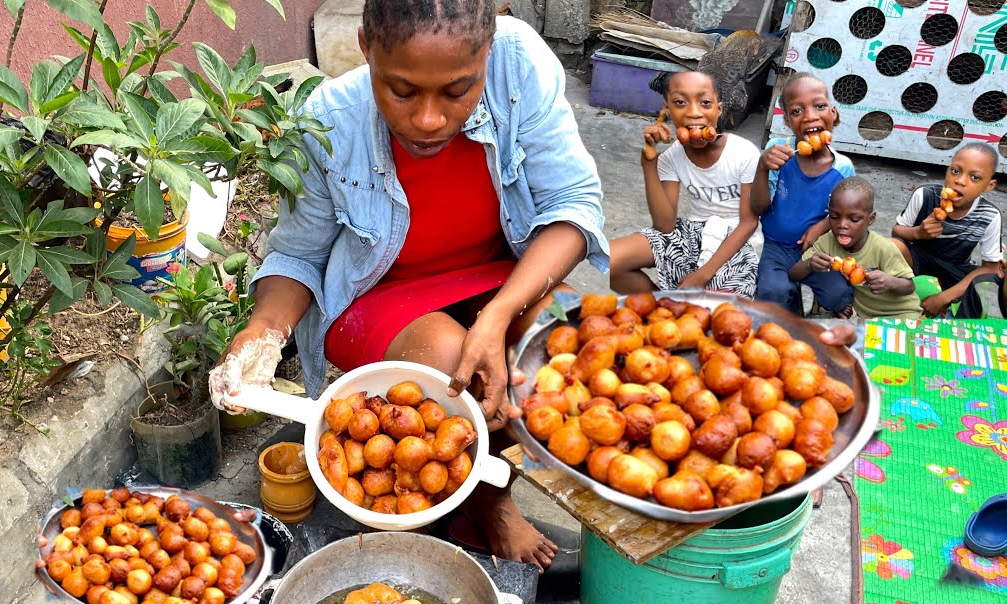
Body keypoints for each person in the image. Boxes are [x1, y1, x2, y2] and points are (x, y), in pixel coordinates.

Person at [209, 0, 607, 572]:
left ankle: (479, 494)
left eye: (457, 91)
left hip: (490, 277)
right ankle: (487, 506)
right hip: (377, 296)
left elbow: (573, 206)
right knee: (451, 366)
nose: (427, 118)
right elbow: (298, 253)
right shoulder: (328, 119)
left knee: (561, 338)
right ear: (366, 50)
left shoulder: (520, 65)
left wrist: (497, 318)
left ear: (487, 53)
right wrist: (264, 332)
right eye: (400, 90)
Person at [609, 70, 763, 297]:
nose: (693, 113)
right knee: (610, 260)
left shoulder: (743, 152)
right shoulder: (672, 157)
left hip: (740, 241)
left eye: (705, 103)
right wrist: (649, 164)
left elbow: (748, 223)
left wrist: (704, 273)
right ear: (667, 110)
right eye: (680, 103)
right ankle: (662, 310)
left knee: (718, 317)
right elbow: (665, 226)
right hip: (694, 233)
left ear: (718, 109)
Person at [750, 72, 854, 317]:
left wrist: (823, 225)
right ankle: (789, 300)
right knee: (774, 294)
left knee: (839, 296)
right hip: (773, 245)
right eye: (797, 111)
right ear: (786, 120)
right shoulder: (778, 152)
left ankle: (814, 298)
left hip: (814, 250)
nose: (809, 116)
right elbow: (758, 206)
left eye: (819, 106)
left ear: (833, 113)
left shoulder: (843, 168)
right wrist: (762, 168)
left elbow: (846, 214)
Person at [892, 142, 1002, 319]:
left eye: (975, 178)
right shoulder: (925, 195)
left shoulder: (989, 215)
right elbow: (896, 233)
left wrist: (943, 297)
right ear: (947, 170)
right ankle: (886, 303)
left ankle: (959, 328)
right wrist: (918, 233)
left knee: (984, 283)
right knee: (890, 248)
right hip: (919, 256)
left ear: (989, 186)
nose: (960, 180)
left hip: (955, 265)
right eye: (955, 171)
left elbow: (990, 268)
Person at [790, 177, 921, 320]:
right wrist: (809, 264)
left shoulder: (882, 248)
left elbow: (909, 286)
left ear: (870, 219)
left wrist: (890, 282)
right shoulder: (826, 242)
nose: (842, 225)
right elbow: (794, 274)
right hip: (867, 318)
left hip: (902, 314)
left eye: (854, 219)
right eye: (834, 217)